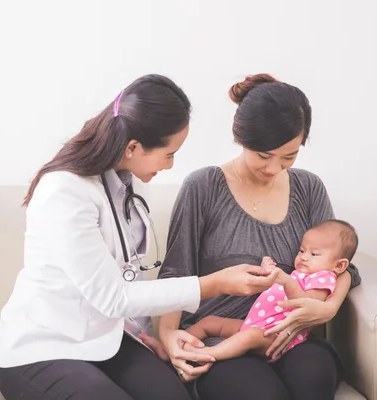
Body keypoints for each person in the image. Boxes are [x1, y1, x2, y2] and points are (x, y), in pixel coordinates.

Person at [0, 74, 281, 400]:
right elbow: (112, 296)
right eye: (169, 154)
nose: (171, 165)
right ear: (133, 147)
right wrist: (215, 283)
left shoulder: (128, 183)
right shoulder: (64, 192)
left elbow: (123, 274)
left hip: (108, 340)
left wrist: (138, 335)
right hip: (44, 347)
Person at [151, 73, 362, 400]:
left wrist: (328, 308)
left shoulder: (308, 188)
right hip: (222, 339)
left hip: (291, 338)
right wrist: (168, 337)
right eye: (264, 155)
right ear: (240, 135)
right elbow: (177, 272)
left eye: (289, 156)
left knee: (313, 380)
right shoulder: (203, 187)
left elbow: (342, 266)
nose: (274, 168)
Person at [185, 219, 359, 363]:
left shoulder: (323, 278)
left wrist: (286, 280)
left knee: (249, 337)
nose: (303, 257)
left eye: (314, 254)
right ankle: (177, 346)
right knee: (209, 322)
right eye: (301, 250)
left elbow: (306, 304)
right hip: (253, 324)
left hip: (275, 336)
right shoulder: (299, 274)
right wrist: (267, 270)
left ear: (340, 265)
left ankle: (207, 355)